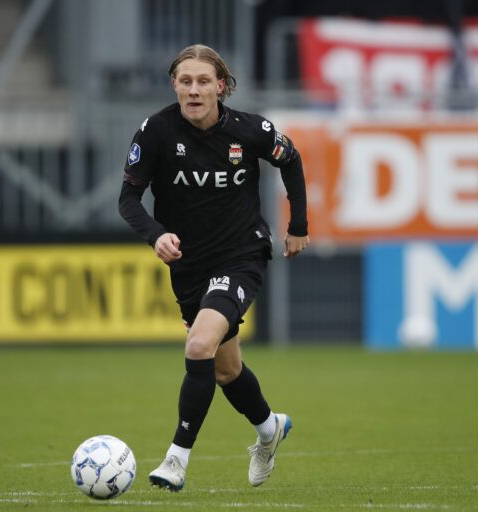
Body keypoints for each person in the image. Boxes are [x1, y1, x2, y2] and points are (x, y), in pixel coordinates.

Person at [118, 44, 309, 492]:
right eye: (185, 81)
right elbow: (128, 199)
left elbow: (291, 159)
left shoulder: (250, 130)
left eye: (203, 81)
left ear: (220, 86)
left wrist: (298, 226)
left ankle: (176, 459)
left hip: (241, 254)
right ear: (174, 85)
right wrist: (156, 235)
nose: (194, 90)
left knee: (199, 343)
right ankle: (269, 429)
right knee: (225, 370)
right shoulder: (155, 131)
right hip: (189, 265)